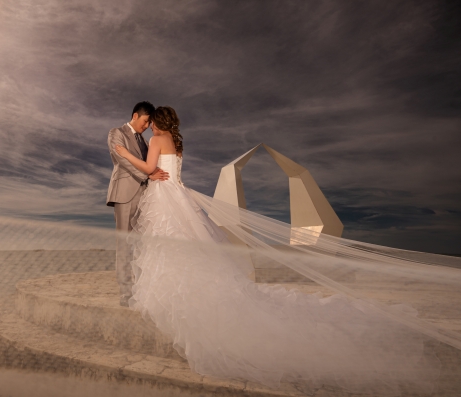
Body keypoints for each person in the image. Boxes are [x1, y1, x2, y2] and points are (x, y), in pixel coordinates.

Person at [114, 106, 436, 393]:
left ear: (158, 122)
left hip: (165, 198)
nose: (151, 126)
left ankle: (167, 294)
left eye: (152, 122)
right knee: (187, 248)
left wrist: (126, 155)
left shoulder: (157, 140)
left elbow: (148, 169)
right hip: (178, 196)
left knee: (168, 248)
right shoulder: (178, 144)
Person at [107, 101, 168, 306]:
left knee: (143, 246)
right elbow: (122, 159)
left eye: (150, 121)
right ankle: (126, 296)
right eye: (145, 120)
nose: (147, 125)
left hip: (146, 198)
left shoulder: (145, 140)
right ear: (135, 116)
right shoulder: (117, 133)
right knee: (124, 246)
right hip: (125, 194)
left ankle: (142, 293)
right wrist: (148, 175)